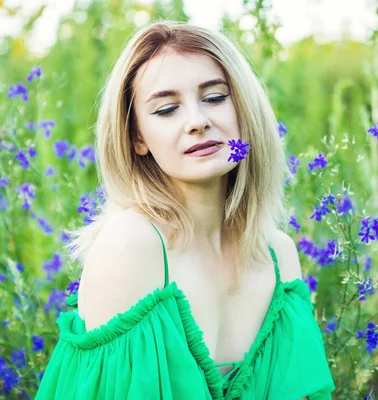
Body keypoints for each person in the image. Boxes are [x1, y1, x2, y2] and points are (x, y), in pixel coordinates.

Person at [35, 20, 335, 400]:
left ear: (244, 108)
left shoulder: (279, 256)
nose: (198, 121)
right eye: (166, 109)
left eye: (214, 98)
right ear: (137, 138)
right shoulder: (133, 244)